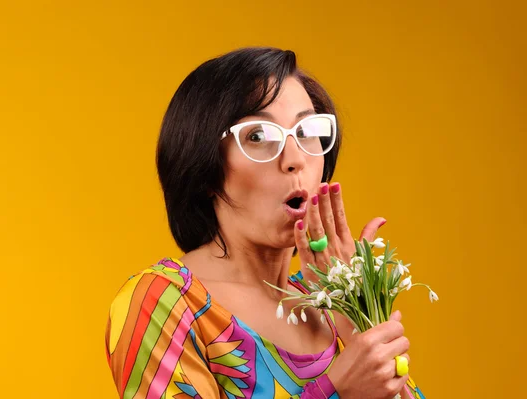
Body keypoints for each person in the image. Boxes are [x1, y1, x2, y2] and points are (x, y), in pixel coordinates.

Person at [104, 47, 426, 399]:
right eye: (258, 136)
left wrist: (357, 312)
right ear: (206, 168)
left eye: (306, 131)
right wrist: (337, 392)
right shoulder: (165, 304)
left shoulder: (332, 302)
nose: (295, 159)